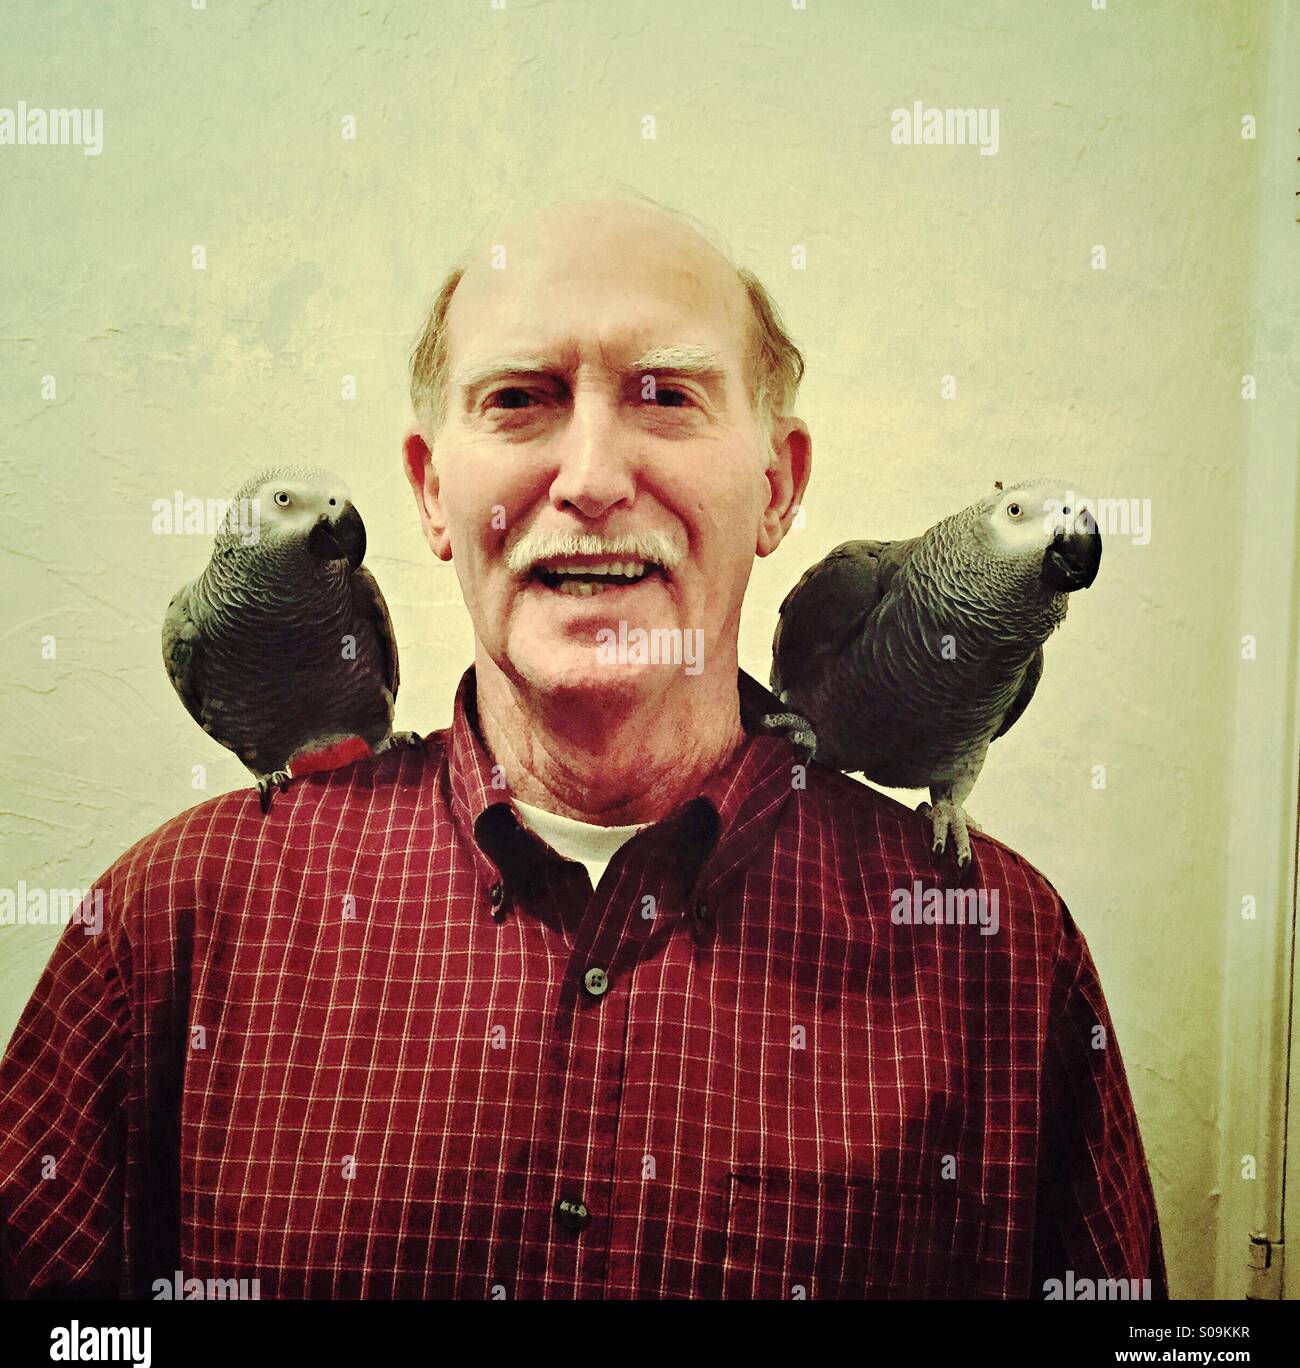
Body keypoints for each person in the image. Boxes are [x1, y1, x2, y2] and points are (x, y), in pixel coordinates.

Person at [0, 196, 1166, 1299]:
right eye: (518, 399)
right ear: (428, 492)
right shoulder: (169, 924)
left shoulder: (1004, 961)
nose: (594, 479)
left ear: (778, 486)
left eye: (666, 394)